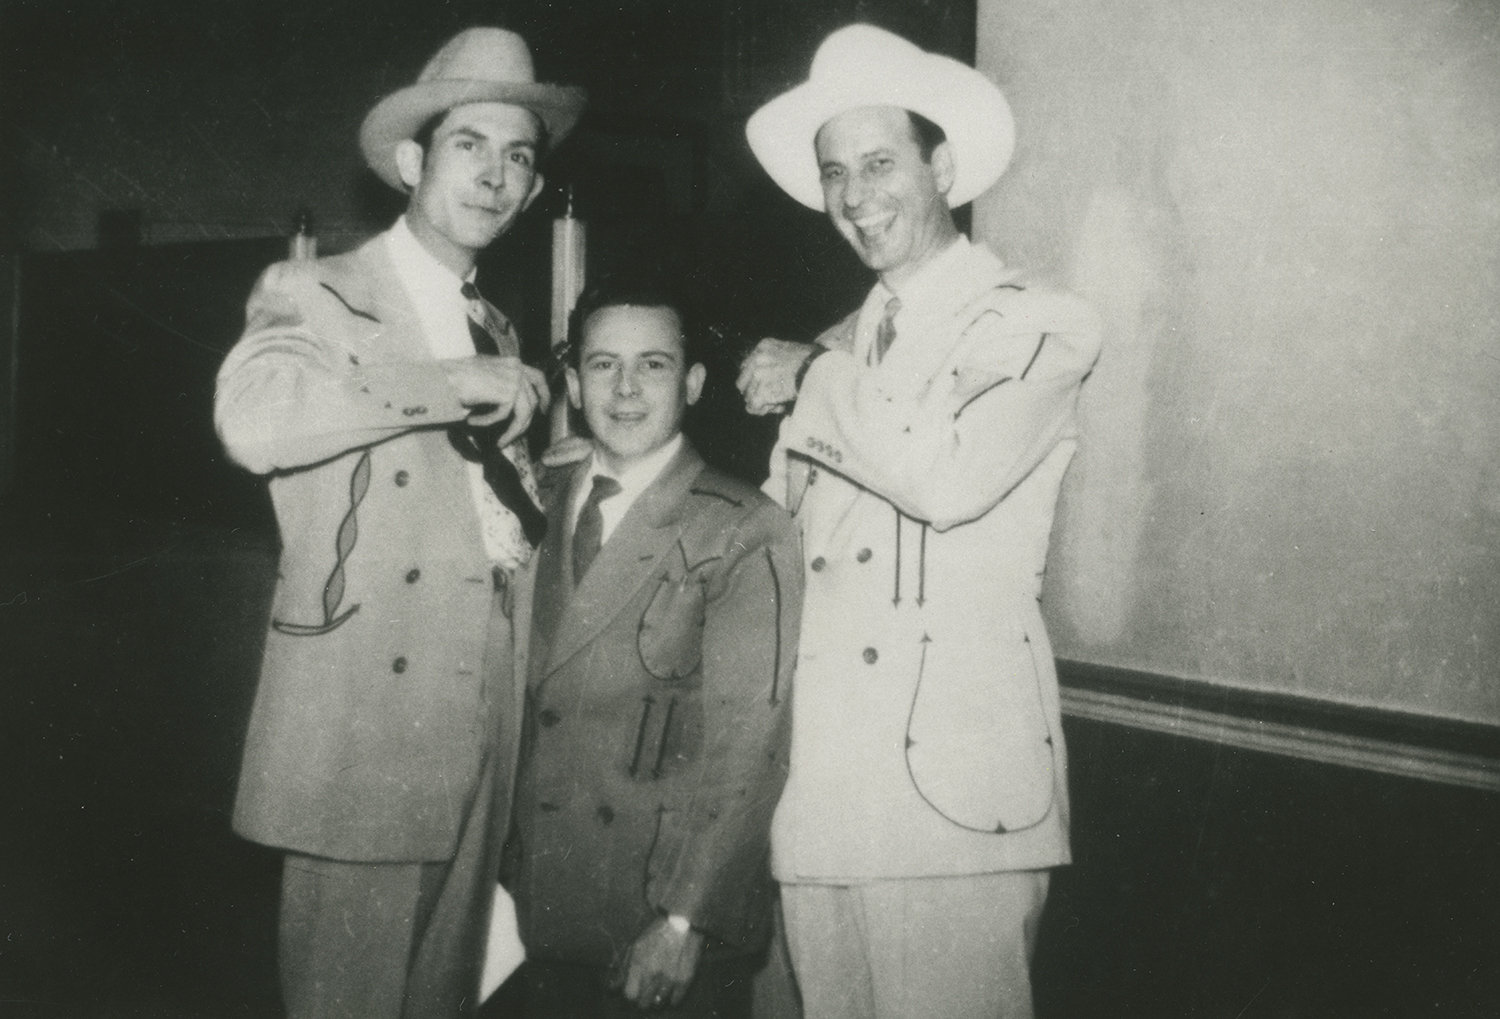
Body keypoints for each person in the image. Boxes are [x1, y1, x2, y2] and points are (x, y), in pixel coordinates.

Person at [213, 27, 584, 1019]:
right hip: (367, 715)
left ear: (535, 191)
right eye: (470, 145)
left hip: (483, 702)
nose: (497, 175)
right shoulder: (319, 288)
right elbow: (253, 423)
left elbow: (476, 511)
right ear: (413, 162)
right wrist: (443, 381)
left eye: (519, 157)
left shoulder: (494, 324)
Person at [736, 23, 1103, 1019]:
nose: (855, 197)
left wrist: (816, 376)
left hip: (955, 799)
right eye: (834, 172)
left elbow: (947, 478)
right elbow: (780, 550)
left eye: (880, 163)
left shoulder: (1037, 319)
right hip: (822, 792)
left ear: (942, 167)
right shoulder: (837, 348)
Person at [505, 276, 802, 1018]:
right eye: (604, 364)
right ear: (575, 384)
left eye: (654, 365)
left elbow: (750, 744)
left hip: (651, 912)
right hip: (528, 902)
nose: (627, 388)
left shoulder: (743, 525)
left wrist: (683, 920)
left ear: (693, 383)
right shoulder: (536, 497)